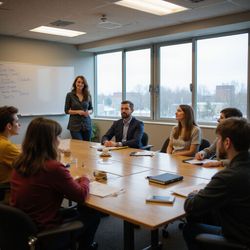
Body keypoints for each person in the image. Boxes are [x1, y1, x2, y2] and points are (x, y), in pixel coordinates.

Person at [10, 117, 100, 250]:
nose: (59, 140)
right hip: (45, 231)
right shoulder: (52, 167)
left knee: (77, 211)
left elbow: (43, 185)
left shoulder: (20, 162)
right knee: (92, 213)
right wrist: (85, 178)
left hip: (25, 226)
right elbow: (81, 195)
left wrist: (69, 182)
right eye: (57, 136)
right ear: (48, 141)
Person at [183, 117, 250, 250]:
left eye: (219, 138)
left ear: (227, 142)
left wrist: (193, 194)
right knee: (208, 212)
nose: (217, 142)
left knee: (190, 228)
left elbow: (191, 206)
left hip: (241, 238)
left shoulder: (227, 176)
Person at [0, 106, 20, 204]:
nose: (19, 124)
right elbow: (31, 165)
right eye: (16, 122)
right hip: (8, 191)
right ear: (9, 126)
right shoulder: (6, 146)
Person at [65, 75, 93, 141]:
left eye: (82, 83)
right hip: (74, 125)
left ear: (84, 85)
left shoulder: (88, 95)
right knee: (78, 145)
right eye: (78, 82)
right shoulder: (69, 95)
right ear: (75, 83)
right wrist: (78, 112)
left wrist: (88, 112)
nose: (80, 84)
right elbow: (66, 110)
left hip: (87, 125)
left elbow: (91, 109)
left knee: (87, 146)